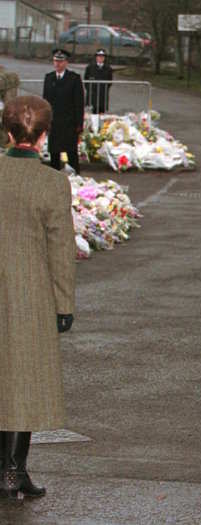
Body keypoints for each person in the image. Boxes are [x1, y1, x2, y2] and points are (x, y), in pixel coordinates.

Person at [0, 95, 76, 501]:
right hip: (29, 292)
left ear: (7, 131)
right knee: (22, 380)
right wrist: (64, 304)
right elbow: (60, 249)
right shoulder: (51, 182)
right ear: (44, 136)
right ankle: (12, 474)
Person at [42, 48, 84, 174]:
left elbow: (79, 103)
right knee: (54, 154)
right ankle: (54, 180)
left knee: (71, 153)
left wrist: (79, 124)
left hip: (69, 123)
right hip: (54, 123)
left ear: (66, 63)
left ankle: (75, 177)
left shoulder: (74, 78)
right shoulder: (49, 78)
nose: (57, 64)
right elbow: (45, 101)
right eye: (55, 61)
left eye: (60, 61)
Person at [84, 49, 113, 114]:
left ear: (104, 58)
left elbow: (109, 82)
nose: (100, 58)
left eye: (102, 56)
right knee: (92, 114)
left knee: (101, 113)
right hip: (92, 94)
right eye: (99, 56)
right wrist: (90, 89)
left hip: (102, 94)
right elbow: (86, 80)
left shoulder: (108, 69)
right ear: (96, 57)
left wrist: (103, 89)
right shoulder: (90, 67)